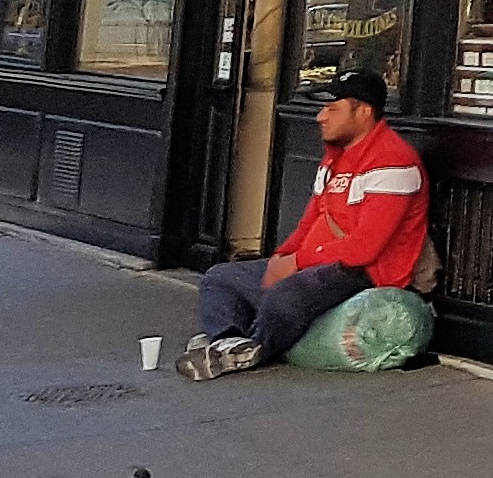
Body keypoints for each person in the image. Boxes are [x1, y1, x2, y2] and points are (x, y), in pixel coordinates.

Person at [179, 68, 428, 380]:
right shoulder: (334, 158)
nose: (320, 117)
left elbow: (365, 248)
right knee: (219, 278)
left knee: (285, 296)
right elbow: (311, 220)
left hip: (366, 272)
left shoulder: (393, 161)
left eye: (332, 109)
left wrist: (295, 264)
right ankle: (229, 342)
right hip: (317, 262)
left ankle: (254, 346)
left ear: (363, 112)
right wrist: (281, 258)